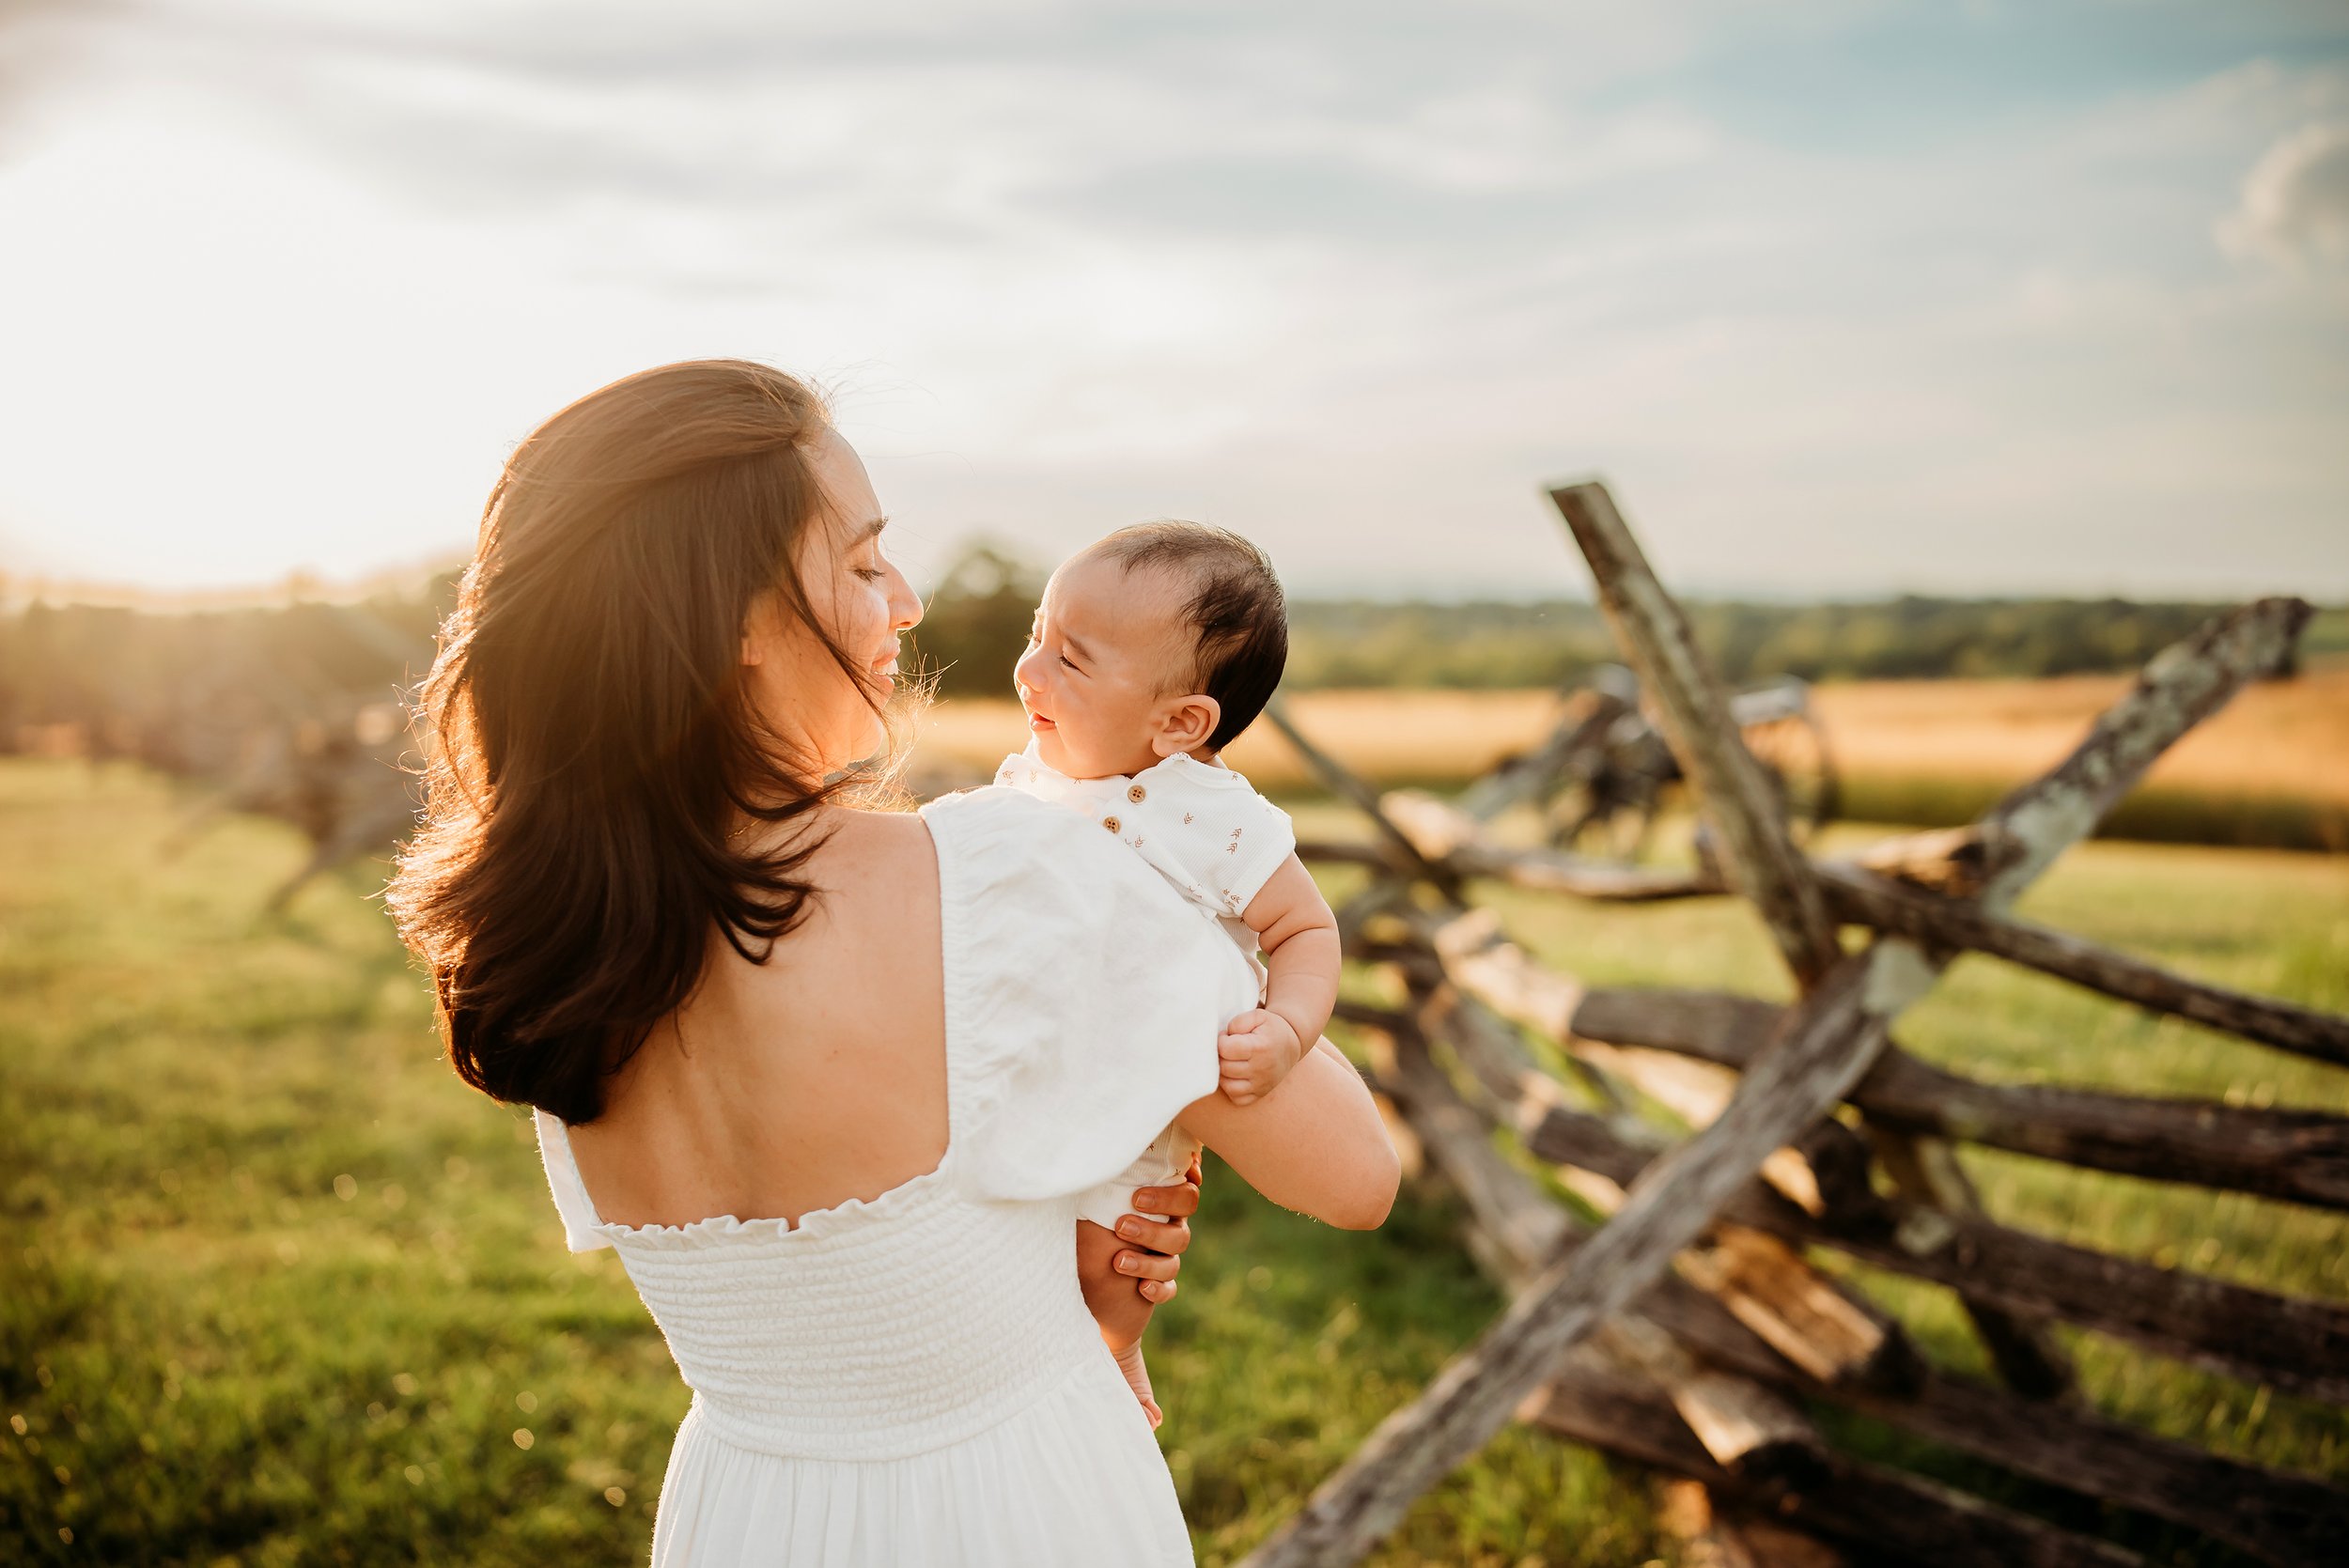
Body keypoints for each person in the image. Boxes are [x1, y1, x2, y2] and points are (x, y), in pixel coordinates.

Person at [386, 359, 1399, 1568]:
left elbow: (874, 1314)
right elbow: (1353, 1174)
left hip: (744, 1516)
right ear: (739, 622)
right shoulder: (1007, 881)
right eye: (864, 563)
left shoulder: (551, 939)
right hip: (1019, 1514)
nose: (907, 600)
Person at [994, 520, 1343, 1427]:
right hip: (1034, 1077)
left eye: (1071, 659)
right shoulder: (1030, 780)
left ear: (1181, 723)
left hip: (1137, 1101)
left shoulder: (1218, 819)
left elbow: (1305, 928)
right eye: (1037, 634)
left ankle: (1116, 1370)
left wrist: (1289, 1027)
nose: (1031, 669)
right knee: (1017, 1250)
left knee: (1112, 1254)